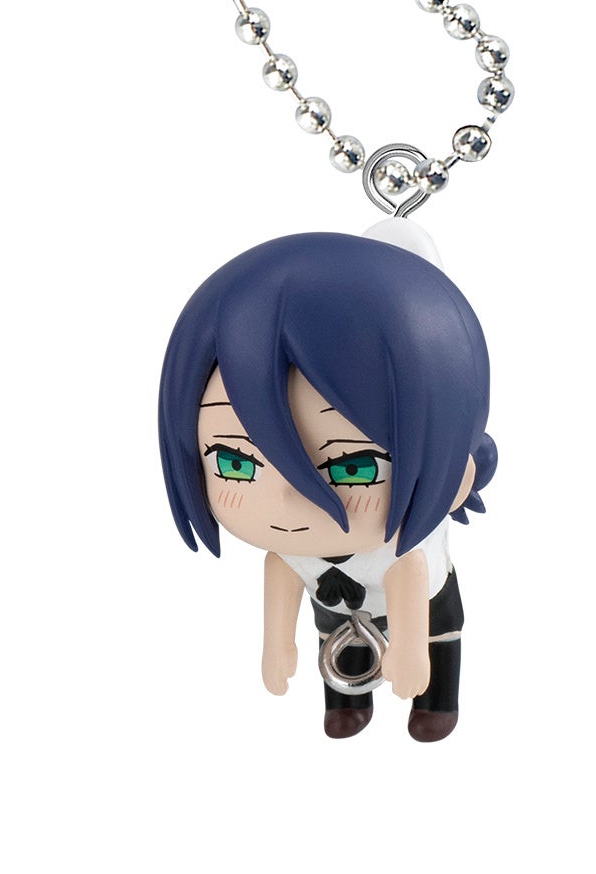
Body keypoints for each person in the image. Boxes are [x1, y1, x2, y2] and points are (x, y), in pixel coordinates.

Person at [158, 230, 496, 741]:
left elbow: (409, 574)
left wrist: (409, 648)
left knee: (439, 642)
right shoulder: (288, 549)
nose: (287, 498)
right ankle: (347, 703)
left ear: (458, 472)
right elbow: (281, 570)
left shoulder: (406, 550)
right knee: (339, 644)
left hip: (423, 606)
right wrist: (277, 644)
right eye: (235, 462)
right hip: (336, 609)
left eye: (353, 467)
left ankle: (437, 704)